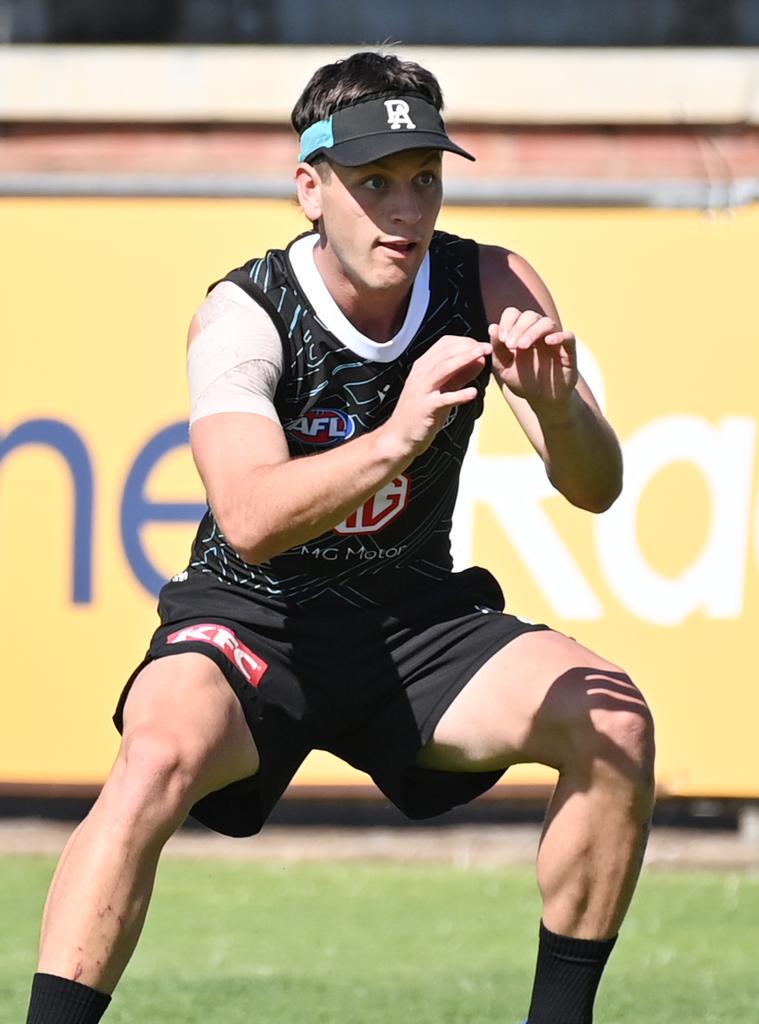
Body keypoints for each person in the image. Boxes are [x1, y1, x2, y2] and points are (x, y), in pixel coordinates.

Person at [25, 51, 655, 1024]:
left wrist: (560, 411)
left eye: (424, 180)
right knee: (154, 754)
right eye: (374, 184)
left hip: (414, 625)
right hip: (254, 619)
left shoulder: (486, 278)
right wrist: (400, 434)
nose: (405, 210)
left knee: (614, 719)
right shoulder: (245, 309)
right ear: (310, 189)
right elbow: (250, 517)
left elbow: (598, 491)